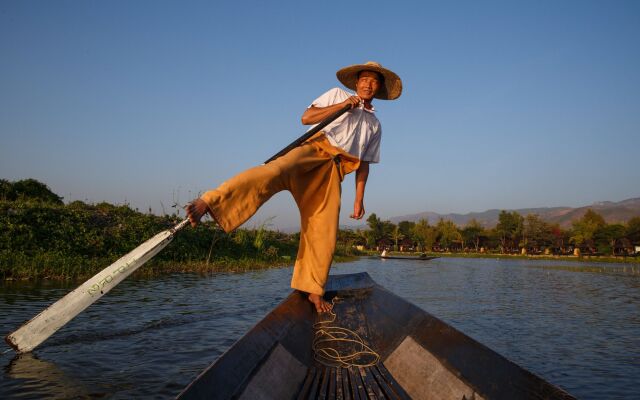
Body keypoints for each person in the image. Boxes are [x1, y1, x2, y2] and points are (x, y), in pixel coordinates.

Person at [185, 61, 402, 313]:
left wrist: (359, 199)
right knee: (272, 172)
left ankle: (312, 289)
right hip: (311, 151)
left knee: (325, 228)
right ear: (356, 82)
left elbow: (363, 164)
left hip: (334, 170)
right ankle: (210, 201)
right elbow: (306, 117)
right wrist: (343, 106)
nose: (368, 83)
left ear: (378, 88)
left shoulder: (375, 125)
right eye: (364, 78)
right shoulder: (337, 95)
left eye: (374, 81)